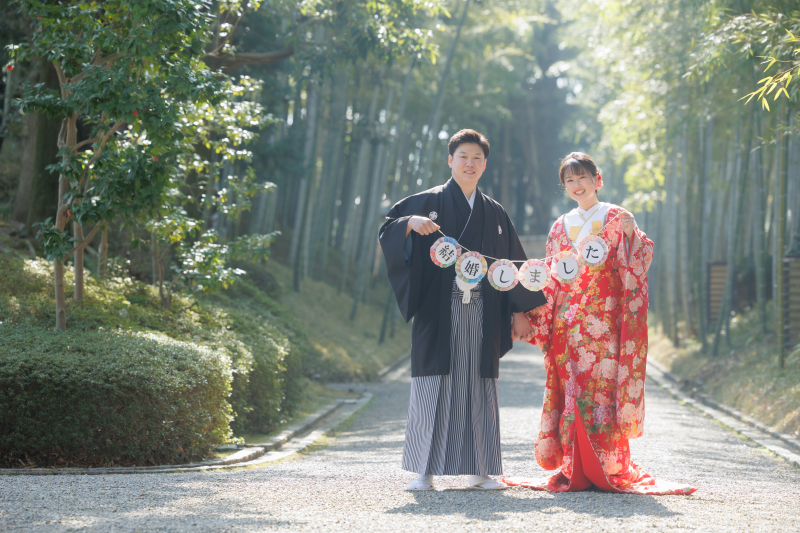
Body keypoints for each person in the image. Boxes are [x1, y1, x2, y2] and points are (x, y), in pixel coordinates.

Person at [503, 152, 695, 495]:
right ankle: (573, 466)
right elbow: (548, 277)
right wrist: (530, 315)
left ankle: (607, 465)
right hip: (564, 321)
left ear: (597, 180)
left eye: (582, 178)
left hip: (603, 321)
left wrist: (632, 232)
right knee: (570, 389)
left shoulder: (616, 216)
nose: (577, 186)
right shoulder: (560, 226)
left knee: (600, 391)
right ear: (564, 186)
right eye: (570, 181)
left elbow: (640, 258)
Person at [379, 129, 545, 491]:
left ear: (484, 165)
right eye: (463, 156)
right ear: (450, 160)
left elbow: (510, 262)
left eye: (477, 158)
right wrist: (409, 223)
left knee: (479, 384)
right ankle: (424, 471)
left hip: (484, 310)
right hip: (439, 308)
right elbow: (386, 229)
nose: (469, 163)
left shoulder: (494, 212)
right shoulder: (426, 202)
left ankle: (481, 469)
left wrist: (519, 311)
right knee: (433, 384)